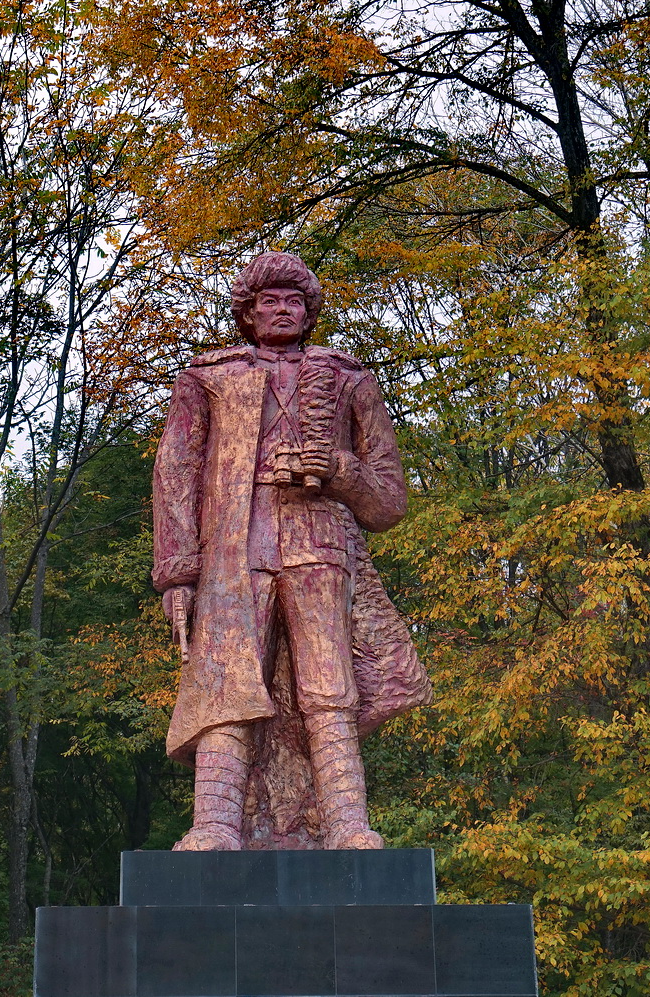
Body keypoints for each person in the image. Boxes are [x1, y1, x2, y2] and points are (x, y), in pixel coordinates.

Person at [152, 251, 425, 851]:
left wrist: (339, 470)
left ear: (310, 312)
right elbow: (176, 473)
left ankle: (346, 822)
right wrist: (178, 573)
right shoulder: (208, 379)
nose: (283, 310)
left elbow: (388, 501)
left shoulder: (349, 379)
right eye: (269, 301)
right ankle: (216, 825)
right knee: (226, 684)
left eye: (294, 301)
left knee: (330, 685)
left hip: (320, 546)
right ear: (246, 313)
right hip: (229, 552)